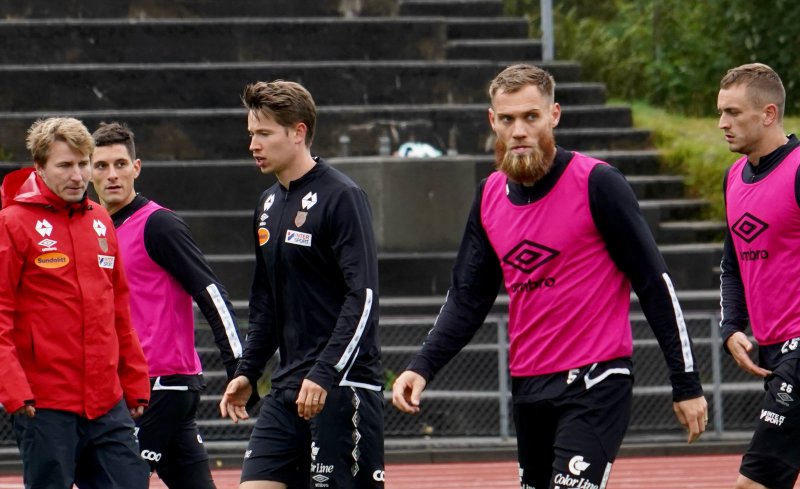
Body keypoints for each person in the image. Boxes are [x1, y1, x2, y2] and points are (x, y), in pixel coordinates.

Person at [391, 64, 708, 489]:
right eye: (508, 119)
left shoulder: (598, 183)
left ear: (554, 115)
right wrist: (422, 366)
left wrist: (685, 382)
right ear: (493, 121)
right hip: (529, 386)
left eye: (531, 117)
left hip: (595, 380)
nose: (519, 130)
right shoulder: (488, 196)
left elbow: (654, 284)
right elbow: (467, 298)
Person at [218, 80, 385, 489]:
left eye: (264, 133)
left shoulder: (343, 196)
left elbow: (362, 297)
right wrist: (248, 371)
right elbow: (265, 303)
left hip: (340, 386)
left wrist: (325, 372)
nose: (253, 145)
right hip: (287, 388)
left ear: (298, 132)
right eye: (251, 134)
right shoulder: (267, 203)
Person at [89, 122, 246, 488]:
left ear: (136, 168)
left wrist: (240, 367)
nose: (112, 175)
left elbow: (211, 293)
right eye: (101, 166)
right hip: (133, 385)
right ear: (88, 172)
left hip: (162, 385)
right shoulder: (95, 230)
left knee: (116, 481)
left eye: (120, 164)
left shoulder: (159, 225)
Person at [0, 117, 151, 488]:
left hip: (106, 401)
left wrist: (134, 379)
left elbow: (118, 308)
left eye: (83, 163)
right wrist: (14, 390)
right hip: (43, 405)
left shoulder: (100, 220)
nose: (78, 175)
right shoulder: (12, 223)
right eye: (65, 165)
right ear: (39, 167)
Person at [718, 63, 800, 489]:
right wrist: (732, 325)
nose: (722, 123)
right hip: (770, 351)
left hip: (797, 350)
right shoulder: (733, 177)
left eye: (733, 112)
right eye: (720, 112)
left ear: (768, 114)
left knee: (754, 482)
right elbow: (732, 264)